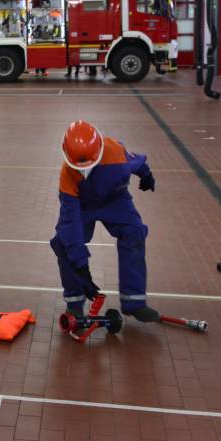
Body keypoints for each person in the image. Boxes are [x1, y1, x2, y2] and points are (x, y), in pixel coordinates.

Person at [50, 120, 159, 323]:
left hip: (115, 199)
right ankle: (74, 303)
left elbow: (136, 162)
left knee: (134, 231)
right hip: (82, 205)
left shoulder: (115, 151)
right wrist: (82, 268)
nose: (83, 172)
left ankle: (134, 301)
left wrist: (146, 175)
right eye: (78, 168)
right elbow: (70, 224)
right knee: (63, 242)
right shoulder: (67, 175)